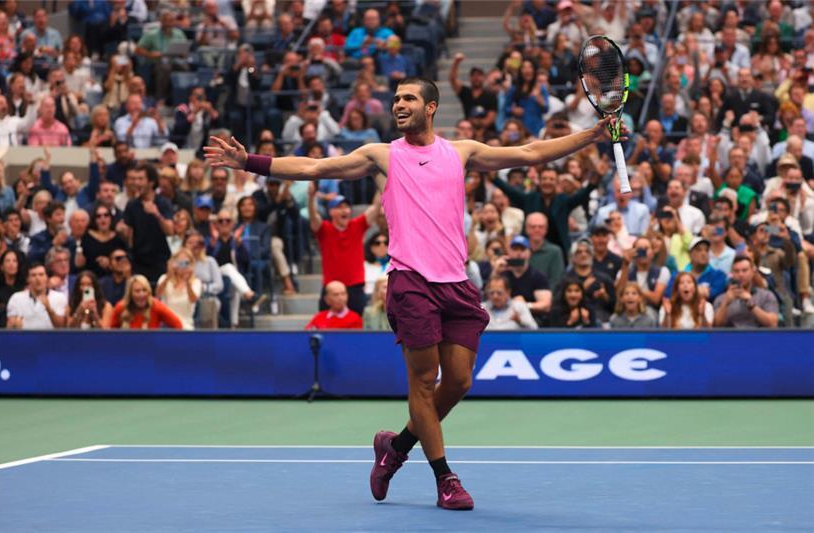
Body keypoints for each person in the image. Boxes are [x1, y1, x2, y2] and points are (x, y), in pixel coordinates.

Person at [204, 75, 625, 510]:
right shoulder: (382, 155)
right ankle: (446, 480)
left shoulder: (461, 151)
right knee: (423, 384)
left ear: (430, 107)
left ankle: (395, 448)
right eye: (396, 99)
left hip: (456, 283)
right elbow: (314, 167)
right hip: (410, 281)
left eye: (408, 98)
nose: (399, 104)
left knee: (459, 381)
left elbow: (531, 152)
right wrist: (249, 161)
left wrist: (593, 134)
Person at [309, 186, 380, 317]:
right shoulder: (324, 229)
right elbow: (313, 217)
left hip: (355, 287)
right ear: (331, 212)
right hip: (331, 288)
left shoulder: (357, 225)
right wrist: (311, 197)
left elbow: (376, 207)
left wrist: (382, 183)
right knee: (327, 328)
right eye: (339, 207)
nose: (344, 210)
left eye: (346, 207)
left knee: (358, 329)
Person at [118, 162, 174, 285]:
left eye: (141, 179)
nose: (136, 183)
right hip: (139, 262)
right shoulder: (132, 205)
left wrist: (157, 214)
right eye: (135, 179)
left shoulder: (163, 203)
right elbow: (128, 236)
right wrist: (122, 230)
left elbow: (170, 230)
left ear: (151, 182)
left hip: (160, 261)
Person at [492, 235, 551, 324]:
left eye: (522, 250)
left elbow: (545, 305)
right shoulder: (503, 274)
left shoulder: (537, 276)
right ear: (509, 252)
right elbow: (490, 297)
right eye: (515, 249)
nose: (518, 253)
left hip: (531, 320)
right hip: (503, 319)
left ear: (529, 253)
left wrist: (524, 305)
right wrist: (496, 272)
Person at [713, 256, 780, 328]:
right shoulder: (721, 299)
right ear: (732, 274)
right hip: (731, 338)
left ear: (752, 272)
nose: (740, 274)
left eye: (744, 270)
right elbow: (716, 326)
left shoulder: (766, 296)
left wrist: (752, 305)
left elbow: (772, 324)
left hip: (759, 337)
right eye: (736, 271)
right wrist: (725, 303)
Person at [563, 238, 617, 324]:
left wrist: (605, 297)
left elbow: (615, 306)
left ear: (592, 255)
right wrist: (582, 289)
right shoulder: (566, 279)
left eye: (587, 252)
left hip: (603, 321)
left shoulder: (603, 278)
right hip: (573, 319)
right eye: (579, 252)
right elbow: (560, 305)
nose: (583, 255)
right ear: (572, 257)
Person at [615, 236, 670, 312]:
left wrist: (634, 290)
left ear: (652, 252)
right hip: (627, 311)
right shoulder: (624, 271)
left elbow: (656, 299)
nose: (643, 252)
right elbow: (619, 294)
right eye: (640, 249)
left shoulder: (663, 271)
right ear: (633, 252)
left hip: (651, 311)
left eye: (646, 248)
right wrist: (625, 264)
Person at [6, 262, 67, 329]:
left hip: (51, 338)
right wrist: (15, 326)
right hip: (24, 338)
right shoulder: (16, 298)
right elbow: (9, 327)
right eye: (33, 275)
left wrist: (49, 309)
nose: (38, 279)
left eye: (41, 275)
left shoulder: (59, 297)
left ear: (47, 278)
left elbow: (62, 326)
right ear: (28, 279)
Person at [110, 274, 183, 329]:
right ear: (130, 294)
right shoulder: (121, 307)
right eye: (137, 291)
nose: (141, 294)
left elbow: (178, 324)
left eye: (144, 290)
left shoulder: (156, 305)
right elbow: (110, 332)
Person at [156, 248, 201, 330]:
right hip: (166, 324)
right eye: (179, 262)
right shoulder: (164, 278)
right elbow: (158, 294)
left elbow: (193, 299)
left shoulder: (196, 282)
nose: (182, 266)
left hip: (186, 325)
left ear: (191, 265)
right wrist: (168, 275)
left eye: (185, 263)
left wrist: (187, 282)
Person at [0, 249, 27, 327]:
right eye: (8, 261)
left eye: (14, 261)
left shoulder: (26, 286)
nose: (11, 264)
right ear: (2, 266)